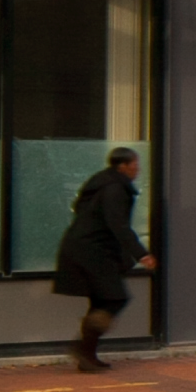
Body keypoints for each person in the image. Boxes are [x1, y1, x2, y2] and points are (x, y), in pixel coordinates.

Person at [53, 147, 157, 372]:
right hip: (93, 252)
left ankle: (87, 355)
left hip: (85, 249)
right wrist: (142, 253)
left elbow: (83, 210)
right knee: (114, 299)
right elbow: (118, 224)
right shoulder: (114, 188)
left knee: (102, 300)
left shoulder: (99, 183)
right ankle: (83, 348)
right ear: (123, 166)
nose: (137, 170)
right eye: (135, 165)